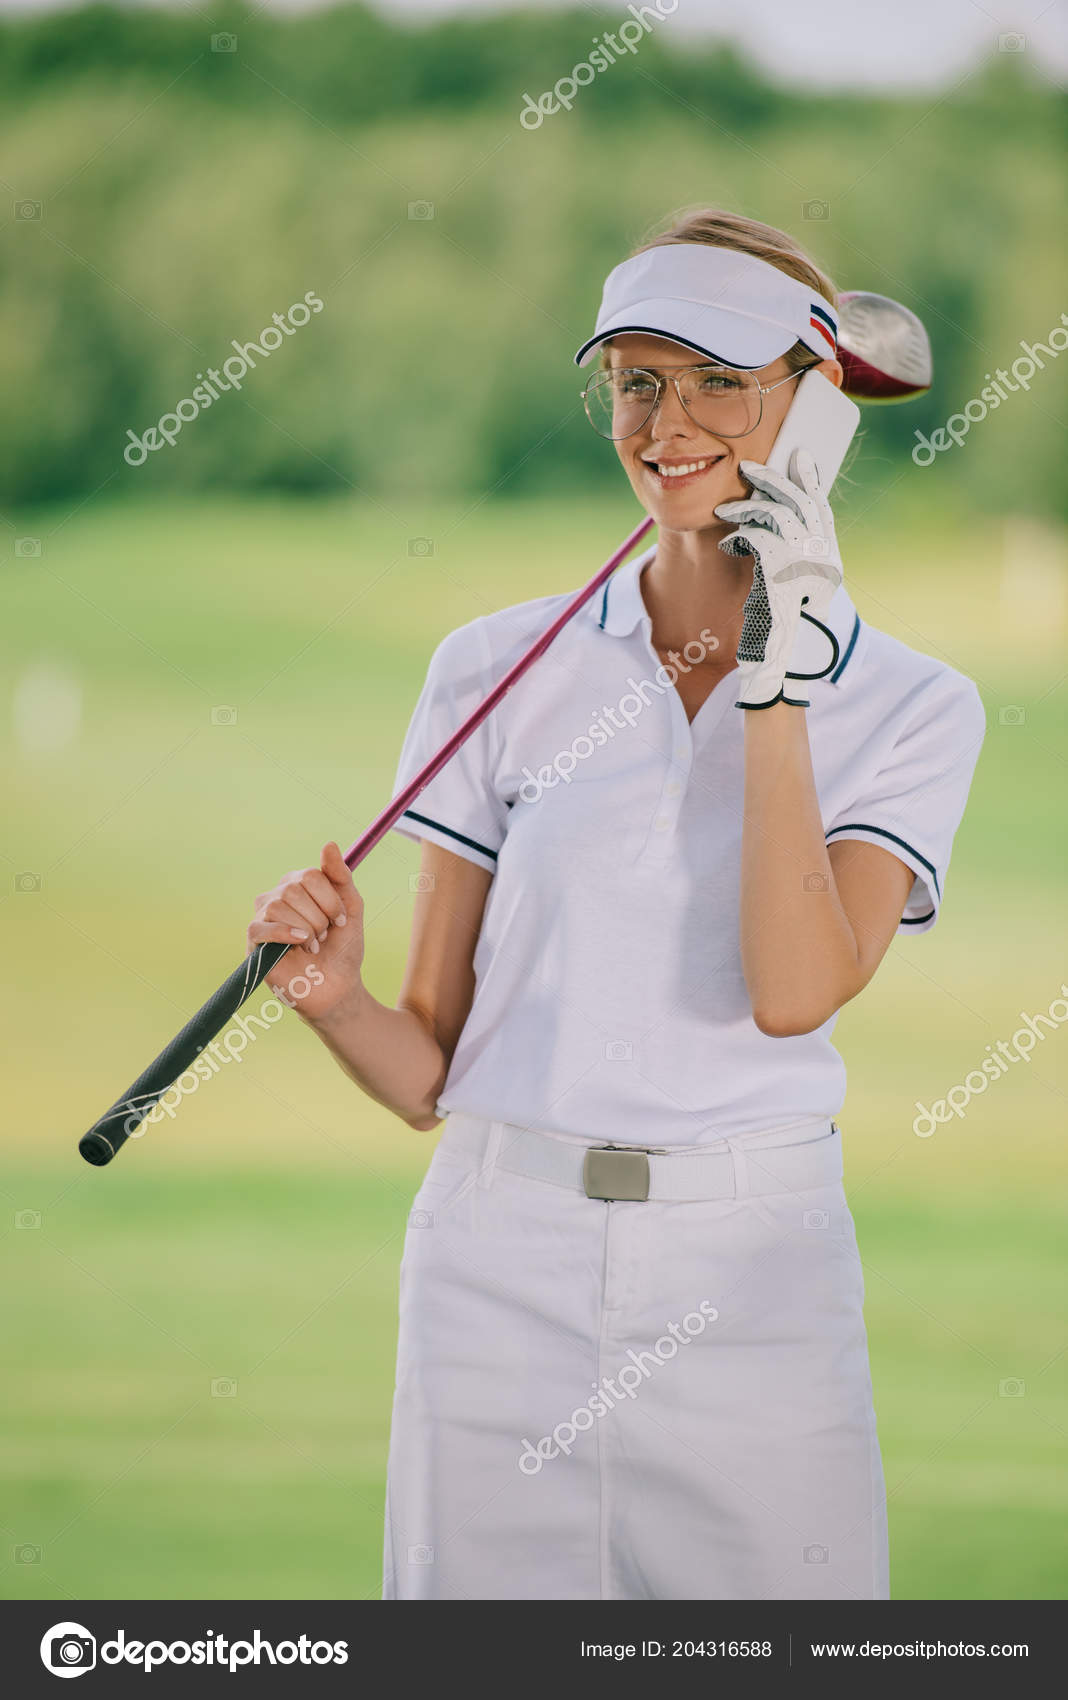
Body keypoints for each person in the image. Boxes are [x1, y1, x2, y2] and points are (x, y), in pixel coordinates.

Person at [246, 209, 985, 1601]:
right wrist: (336, 1000)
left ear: (821, 410)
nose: (667, 424)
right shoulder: (490, 667)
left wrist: (777, 679)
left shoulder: (915, 706)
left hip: (754, 1282)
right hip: (494, 1268)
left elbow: (793, 991)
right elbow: (432, 1074)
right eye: (638, 383)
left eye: (720, 381)